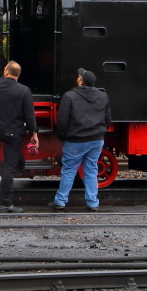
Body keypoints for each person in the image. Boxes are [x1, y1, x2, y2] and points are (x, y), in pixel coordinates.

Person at [49, 68, 112, 212]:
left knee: (69, 170)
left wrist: (63, 135)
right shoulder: (103, 96)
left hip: (75, 140)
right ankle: (92, 203)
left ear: (80, 81)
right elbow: (108, 119)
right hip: (96, 139)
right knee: (91, 170)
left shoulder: (69, 96)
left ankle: (60, 201)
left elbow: (63, 120)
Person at [0, 60, 38, 213]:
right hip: (13, 133)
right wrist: (34, 133)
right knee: (9, 169)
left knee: (14, 155)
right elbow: (29, 116)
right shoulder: (24, 90)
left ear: (6, 72)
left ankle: (20, 162)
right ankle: (6, 204)